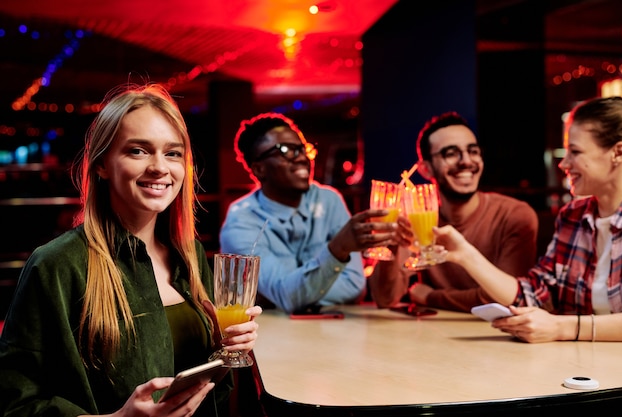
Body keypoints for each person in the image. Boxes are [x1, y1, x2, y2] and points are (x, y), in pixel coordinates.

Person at [0, 83, 262, 416]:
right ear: (101, 164)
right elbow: (15, 403)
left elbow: (206, 391)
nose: (160, 167)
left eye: (172, 152)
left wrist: (228, 351)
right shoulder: (57, 264)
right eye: (138, 151)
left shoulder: (191, 255)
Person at [434, 96, 622, 343]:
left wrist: (562, 328)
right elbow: (536, 293)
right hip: (582, 371)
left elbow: (559, 325)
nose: (564, 163)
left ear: (618, 153)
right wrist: (465, 255)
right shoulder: (573, 217)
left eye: (575, 152)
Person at [220, 112, 412, 314]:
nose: (301, 158)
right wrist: (337, 250)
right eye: (285, 150)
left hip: (335, 334)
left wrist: (284, 295)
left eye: (303, 149)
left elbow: (354, 287)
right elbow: (287, 296)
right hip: (272, 338)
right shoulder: (241, 221)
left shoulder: (329, 200)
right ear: (259, 169)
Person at [369, 111, 539, 312]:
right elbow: (385, 299)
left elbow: (508, 299)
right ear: (425, 169)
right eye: (450, 153)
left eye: (473, 151)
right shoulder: (417, 219)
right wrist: (392, 245)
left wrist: (430, 296)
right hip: (434, 337)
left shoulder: (514, 215)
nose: (466, 161)